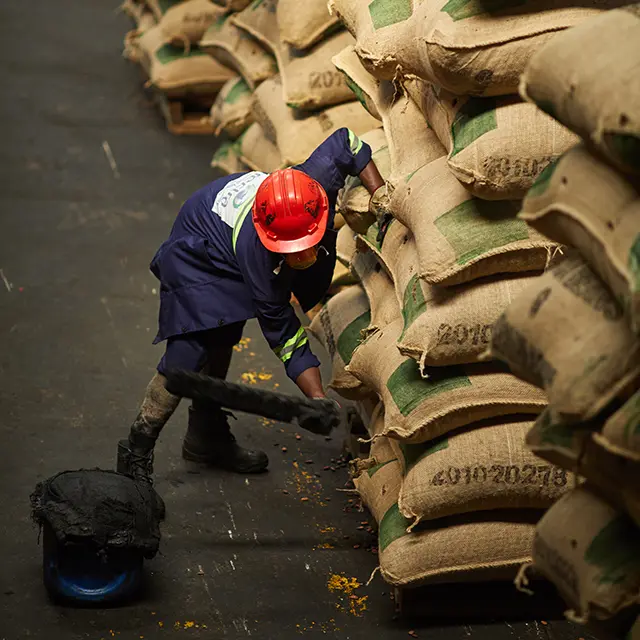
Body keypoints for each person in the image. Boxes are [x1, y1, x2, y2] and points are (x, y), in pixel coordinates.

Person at [117, 128, 384, 483]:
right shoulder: (257, 256)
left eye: (307, 244)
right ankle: (136, 450)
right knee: (189, 353)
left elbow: (349, 143)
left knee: (224, 335)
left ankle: (205, 437)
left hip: (231, 233)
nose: (304, 255)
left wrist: (381, 194)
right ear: (272, 241)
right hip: (200, 253)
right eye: (294, 250)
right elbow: (284, 335)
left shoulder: (312, 185)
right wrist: (317, 397)